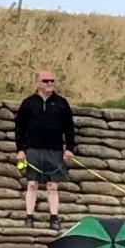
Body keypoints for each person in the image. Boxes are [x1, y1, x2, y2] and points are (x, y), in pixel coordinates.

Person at [12, 69, 77, 227]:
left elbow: (69, 127)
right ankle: (29, 217)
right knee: (32, 184)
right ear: (37, 83)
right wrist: (20, 150)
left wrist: (69, 148)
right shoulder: (29, 103)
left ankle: (54, 217)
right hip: (33, 149)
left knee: (52, 186)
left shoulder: (61, 103)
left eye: (52, 81)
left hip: (54, 149)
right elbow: (19, 127)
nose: (50, 84)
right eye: (46, 81)